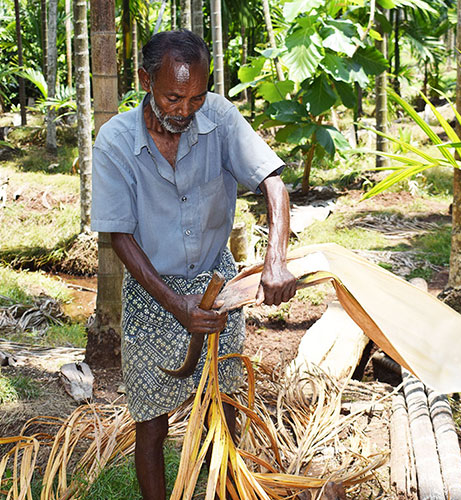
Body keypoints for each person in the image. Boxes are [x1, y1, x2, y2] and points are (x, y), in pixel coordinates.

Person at [91, 29, 296, 500]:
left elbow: (274, 184)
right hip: (151, 291)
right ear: (144, 79)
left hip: (216, 283)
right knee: (151, 420)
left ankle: (223, 489)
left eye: (197, 97)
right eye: (173, 97)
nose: (185, 110)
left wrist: (276, 261)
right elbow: (119, 235)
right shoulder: (115, 142)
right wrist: (175, 303)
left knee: (222, 410)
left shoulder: (219, 118)